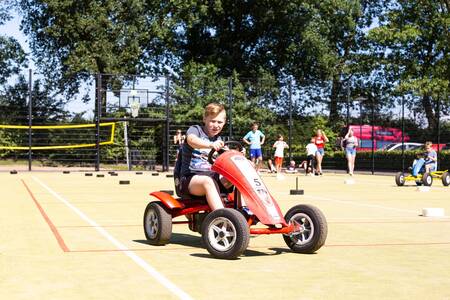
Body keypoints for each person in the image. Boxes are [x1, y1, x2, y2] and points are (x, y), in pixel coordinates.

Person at [178, 103, 228, 210]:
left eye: (219, 122)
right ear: (204, 119)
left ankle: (246, 210)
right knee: (207, 181)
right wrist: (210, 145)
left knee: (237, 178)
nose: (216, 125)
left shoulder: (219, 140)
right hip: (190, 179)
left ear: (224, 123)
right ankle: (222, 217)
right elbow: (191, 140)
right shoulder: (196, 130)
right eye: (212, 121)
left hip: (212, 177)